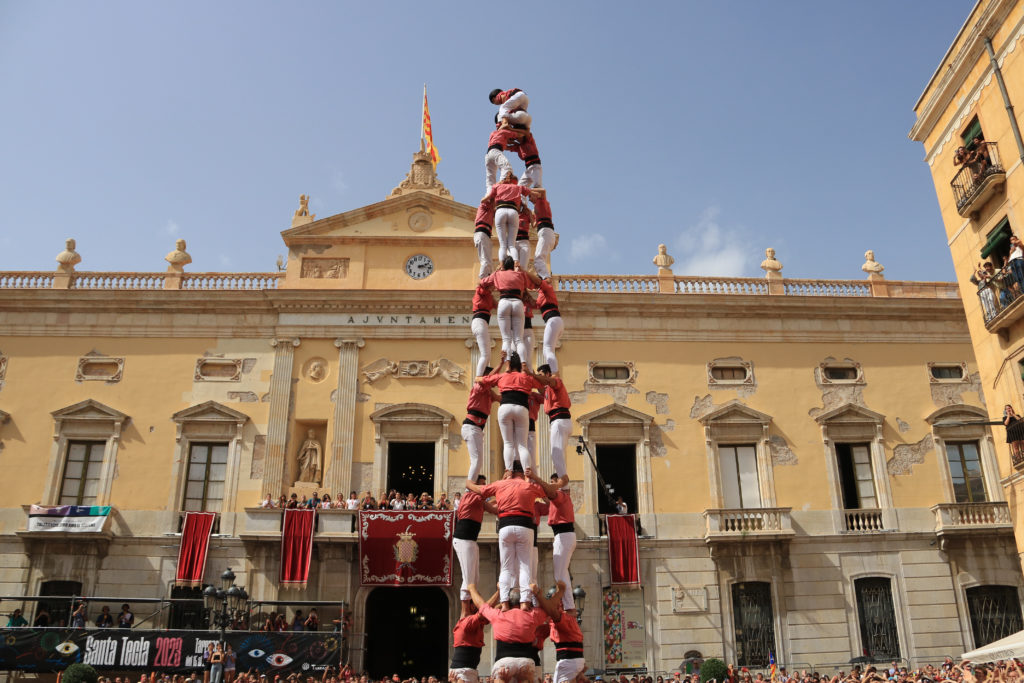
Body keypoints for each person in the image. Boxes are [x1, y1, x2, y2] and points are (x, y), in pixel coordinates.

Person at [466, 463, 558, 608]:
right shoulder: (529, 486)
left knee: (506, 568)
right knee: (525, 566)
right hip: (525, 526)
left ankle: (504, 603)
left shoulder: (500, 484)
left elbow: (479, 490)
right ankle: (525, 603)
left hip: (505, 526)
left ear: (510, 471)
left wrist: (468, 483)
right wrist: (535, 478)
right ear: (523, 473)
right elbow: (551, 494)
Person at [474, 352, 549, 473]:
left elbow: (481, 380)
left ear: (509, 365)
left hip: (505, 408)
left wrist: (500, 366)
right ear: (520, 365)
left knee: (508, 443)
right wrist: (530, 372)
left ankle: (508, 471)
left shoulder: (502, 376)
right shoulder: (526, 377)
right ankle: (527, 472)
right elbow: (543, 384)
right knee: (522, 445)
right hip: (521, 409)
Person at [467, 583, 548, 683]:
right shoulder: (532, 615)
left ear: (508, 602)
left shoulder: (498, 615)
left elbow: (482, 606)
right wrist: (537, 594)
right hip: (525, 662)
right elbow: (548, 609)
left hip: (504, 662)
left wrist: (472, 589)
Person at [454, 474, 499, 605]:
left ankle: (470, 607)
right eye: (481, 485)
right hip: (463, 540)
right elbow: (490, 504)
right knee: (469, 579)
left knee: (475, 578)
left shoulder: (479, 500)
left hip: (471, 541)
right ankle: (465, 611)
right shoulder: (470, 496)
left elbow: (493, 508)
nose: (483, 487)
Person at [480, 259, 531, 363]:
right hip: (517, 302)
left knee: (506, 339)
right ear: (513, 266)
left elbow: (482, 283)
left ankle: (508, 365)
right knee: (519, 339)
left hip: (504, 302)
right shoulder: (520, 274)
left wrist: (497, 270)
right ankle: (524, 364)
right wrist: (520, 270)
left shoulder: (498, 274)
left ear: (503, 266)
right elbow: (531, 283)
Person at [532, 582, 585, 683]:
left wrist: (538, 594)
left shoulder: (564, 617)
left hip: (569, 660)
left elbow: (551, 610)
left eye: (553, 600)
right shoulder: (559, 619)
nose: (550, 603)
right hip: (570, 660)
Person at [482, 175, 536, 266]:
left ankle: (502, 266)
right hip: (512, 211)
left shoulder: (497, 186)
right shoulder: (518, 187)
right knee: (511, 245)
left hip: (500, 210)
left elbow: (487, 198)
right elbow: (534, 193)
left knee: (503, 245)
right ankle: (516, 262)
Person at [463, 361, 503, 482]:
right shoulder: (478, 387)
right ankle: (469, 489)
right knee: (476, 460)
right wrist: (500, 363)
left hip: (478, 428)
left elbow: (500, 398)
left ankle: (472, 485)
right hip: (471, 427)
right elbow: (489, 378)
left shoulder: (489, 393)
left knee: (478, 461)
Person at [449, 588, 499, 683]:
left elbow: (492, 610)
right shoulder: (467, 622)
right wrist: (499, 592)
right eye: (477, 603)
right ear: (471, 606)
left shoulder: (478, 622)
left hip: (471, 670)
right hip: (461, 671)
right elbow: (485, 610)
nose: (480, 605)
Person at [546, 474, 577, 611]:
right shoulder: (561, 498)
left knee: (560, 574)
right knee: (561, 573)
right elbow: (547, 500)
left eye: (553, 482)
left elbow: (549, 493)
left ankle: (569, 605)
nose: (551, 485)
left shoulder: (561, 495)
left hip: (563, 536)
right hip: (564, 536)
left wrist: (534, 478)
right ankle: (568, 605)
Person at [538, 364, 571, 484]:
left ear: (548, 374)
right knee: (559, 456)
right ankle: (563, 484)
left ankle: (564, 484)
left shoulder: (555, 381)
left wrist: (532, 375)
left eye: (541, 375)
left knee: (556, 454)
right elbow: (541, 389)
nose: (539, 377)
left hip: (559, 420)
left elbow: (550, 382)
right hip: (559, 421)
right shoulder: (547, 388)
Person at [471, 283, 497, 378]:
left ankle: (483, 376)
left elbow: (497, 305)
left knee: (487, 356)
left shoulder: (489, 295)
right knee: (485, 355)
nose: (495, 287)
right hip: (479, 322)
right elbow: (482, 287)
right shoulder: (481, 290)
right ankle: (478, 379)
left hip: (482, 323)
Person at [531, 189, 556, 279]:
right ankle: (544, 277)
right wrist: (527, 213)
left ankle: (546, 279)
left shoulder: (541, 201)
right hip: (544, 232)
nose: (529, 199)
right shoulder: (535, 208)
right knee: (539, 259)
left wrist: (526, 190)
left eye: (530, 196)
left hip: (546, 231)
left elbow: (543, 191)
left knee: (538, 259)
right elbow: (533, 224)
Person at [474, 197, 496, 278]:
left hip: (485, 234)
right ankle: (483, 278)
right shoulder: (485, 205)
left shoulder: (491, 210)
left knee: (489, 261)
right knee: (485, 260)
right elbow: (483, 200)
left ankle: (487, 277)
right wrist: (494, 192)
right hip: (482, 233)